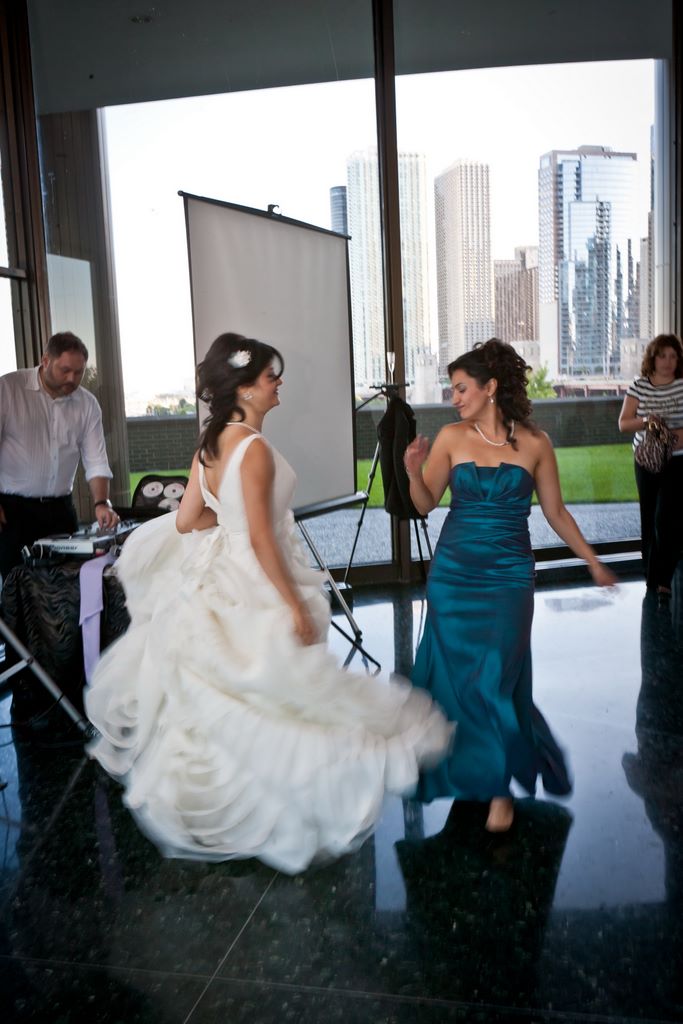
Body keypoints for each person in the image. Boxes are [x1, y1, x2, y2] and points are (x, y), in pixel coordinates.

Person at [85, 332, 452, 874]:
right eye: (268, 376)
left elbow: (186, 520)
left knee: (249, 697)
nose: (278, 383)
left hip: (220, 577)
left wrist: (229, 523)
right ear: (244, 388)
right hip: (254, 583)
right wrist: (294, 605)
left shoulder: (211, 444)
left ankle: (257, 808)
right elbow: (260, 539)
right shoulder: (252, 449)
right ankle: (294, 805)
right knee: (280, 693)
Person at [403, 338, 617, 833]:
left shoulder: (537, 444)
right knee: (457, 682)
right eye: (452, 389)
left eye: (461, 388)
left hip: (509, 577)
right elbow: (424, 504)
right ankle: (480, 776)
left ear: (491, 387)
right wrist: (413, 471)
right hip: (454, 574)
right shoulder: (451, 437)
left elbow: (556, 513)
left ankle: (499, 785)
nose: (454, 397)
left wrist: (593, 561)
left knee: (497, 677)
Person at [0, 331, 118, 581]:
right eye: (65, 370)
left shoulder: (87, 404)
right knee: (16, 589)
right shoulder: (8, 390)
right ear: (45, 361)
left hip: (60, 511)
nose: (72, 378)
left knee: (68, 589)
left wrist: (101, 503)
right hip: (12, 513)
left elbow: (96, 461)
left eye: (78, 372)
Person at [618, 333, 683, 604]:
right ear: (652, 358)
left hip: (676, 459)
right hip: (645, 459)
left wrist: (671, 436)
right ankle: (651, 575)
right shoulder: (639, 386)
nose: (668, 361)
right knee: (648, 516)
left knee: (665, 517)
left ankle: (664, 579)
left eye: (673, 356)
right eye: (662, 356)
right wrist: (647, 421)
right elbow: (624, 423)